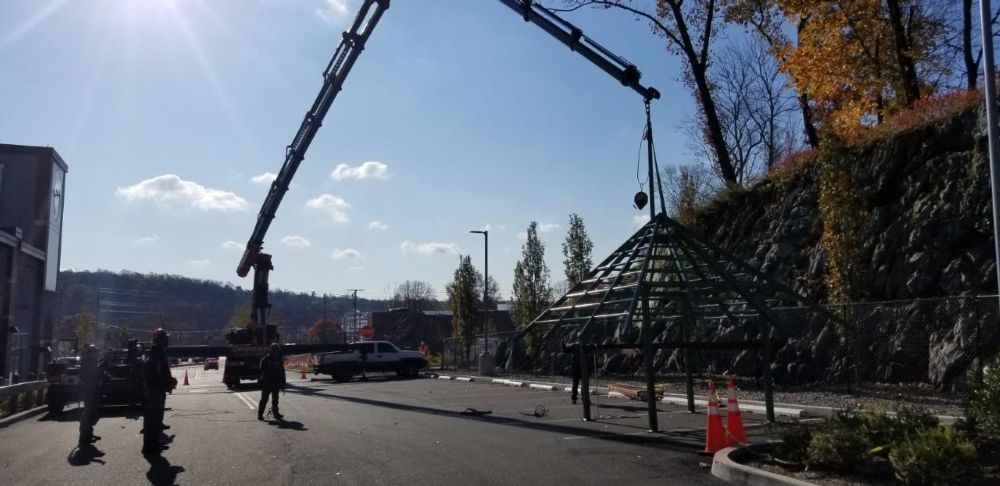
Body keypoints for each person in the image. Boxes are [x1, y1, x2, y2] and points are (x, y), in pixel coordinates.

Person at [142, 328, 175, 455]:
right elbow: (156, 374)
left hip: (158, 388)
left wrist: (168, 382)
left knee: (155, 419)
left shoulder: (159, 351)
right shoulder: (156, 353)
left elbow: (161, 372)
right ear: (159, 340)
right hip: (155, 389)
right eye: (165, 338)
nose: (167, 340)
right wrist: (167, 382)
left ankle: (154, 443)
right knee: (152, 419)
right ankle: (149, 446)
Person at [78, 345, 108, 448]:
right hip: (89, 390)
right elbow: (92, 375)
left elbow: (98, 374)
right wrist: (102, 366)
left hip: (93, 390)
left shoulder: (92, 362)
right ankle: (84, 436)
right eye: (94, 352)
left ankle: (89, 434)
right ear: (90, 353)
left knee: (92, 412)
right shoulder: (88, 362)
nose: (96, 353)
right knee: (88, 412)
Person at [258, 343, 286, 421]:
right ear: (271, 351)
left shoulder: (279, 360)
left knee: (275, 399)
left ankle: (276, 414)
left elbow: (282, 372)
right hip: (267, 382)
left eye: (277, 351)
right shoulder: (265, 359)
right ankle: (260, 414)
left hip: (276, 382)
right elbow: (261, 370)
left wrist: (283, 384)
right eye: (275, 351)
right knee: (264, 399)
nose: (276, 353)